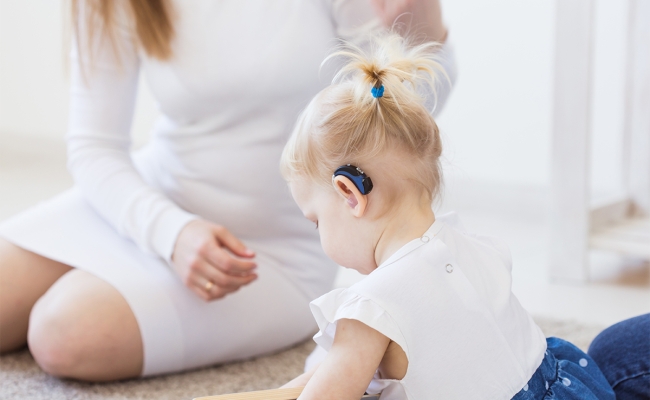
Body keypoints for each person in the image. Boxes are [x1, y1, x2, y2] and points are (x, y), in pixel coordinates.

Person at [0, 0, 456, 381]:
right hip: (151, 202)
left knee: (63, 331)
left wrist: (420, 19)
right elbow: (93, 146)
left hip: (271, 249)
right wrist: (171, 234)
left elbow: (402, 109)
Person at [277, 34, 616, 399]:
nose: (318, 232)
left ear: (349, 195)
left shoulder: (370, 308)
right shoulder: (474, 247)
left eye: (316, 221)